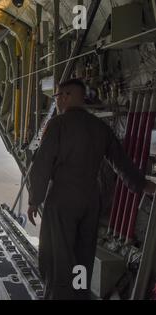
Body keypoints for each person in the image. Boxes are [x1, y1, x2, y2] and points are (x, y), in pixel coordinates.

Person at [27, 78, 156, 299]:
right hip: (90, 201)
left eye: (58, 97)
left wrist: (34, 199)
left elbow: (42, 163)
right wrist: (144, 185)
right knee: (83, 255)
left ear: (67, 96)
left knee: (58, 256)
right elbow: (122, 163)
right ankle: (79, 295)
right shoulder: (100, 127)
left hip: (62, 200)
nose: (57, 101)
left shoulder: (58, 124)